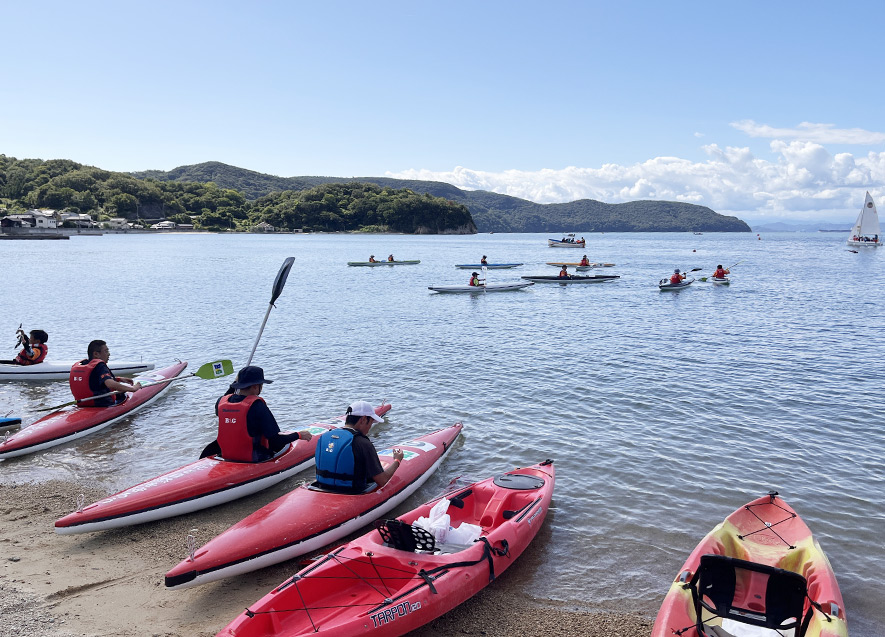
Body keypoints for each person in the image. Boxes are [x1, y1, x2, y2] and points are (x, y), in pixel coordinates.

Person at [214, 365, 313, 462]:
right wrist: (299, 435)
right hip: (254, 458)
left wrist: (235, 384)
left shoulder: (221, 402)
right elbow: (276, 441)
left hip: (226, 455)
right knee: (284, 445)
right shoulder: (257, 406)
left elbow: (225, 398)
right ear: (256, 386)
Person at [314, 400, 404, 492]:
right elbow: (382, 480)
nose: (369, 427)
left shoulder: (325, 436)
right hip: (350, 493)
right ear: (363, 419)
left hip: (321, 488)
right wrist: (397, 460)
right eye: (371, 423)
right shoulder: (363, 443)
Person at [69, 340, 141, 407]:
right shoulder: (100, 365)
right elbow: (110, 384)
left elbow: (92, 381)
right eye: (106, 351)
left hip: (82, 404)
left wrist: (118, 379)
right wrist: (133, 388)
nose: (109, 354)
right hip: (101, 405)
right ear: (96, 354)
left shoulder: (83, 365)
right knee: (121, 394)